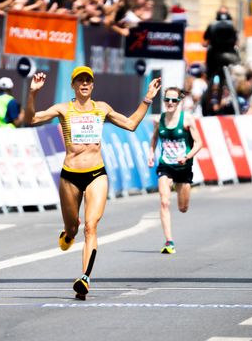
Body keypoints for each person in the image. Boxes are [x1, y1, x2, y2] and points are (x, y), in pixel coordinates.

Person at [23, 66, 161, 299]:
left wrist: (147, 98)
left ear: (93, 85)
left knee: (90, 226)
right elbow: (32, 119)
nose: (84, 84)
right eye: (80, 81)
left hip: (97, 173)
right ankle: (67, 234)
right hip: (70, 175)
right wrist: (33, 93)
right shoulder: (63, 109)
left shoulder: (102, 108)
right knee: (73, 228)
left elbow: (130, 124)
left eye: (88, 80)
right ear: (73, 85)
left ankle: (85, 278)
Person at [148, 87, 202, 254]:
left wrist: (187, 157)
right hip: (166, 165)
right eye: (167, 100)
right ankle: (169, 242)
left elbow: (199, 143)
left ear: (179, 102)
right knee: (164, 201)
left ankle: (183, 195)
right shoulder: (159, 120)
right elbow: (155, 138)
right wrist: (151, 154)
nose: (170, 103)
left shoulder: (187, 120)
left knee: (182, 207)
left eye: (174, 100)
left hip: (183, 167)